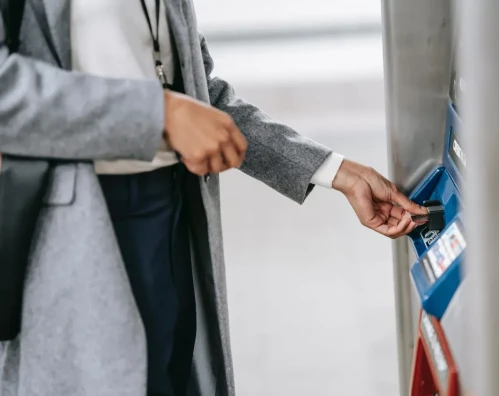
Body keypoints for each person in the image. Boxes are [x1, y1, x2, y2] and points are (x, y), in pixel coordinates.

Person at [0, 1, 427, 395]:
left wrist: (333, 169)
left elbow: (202, 98)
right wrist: (159, 113)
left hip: (172, 211)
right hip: (74, 228)